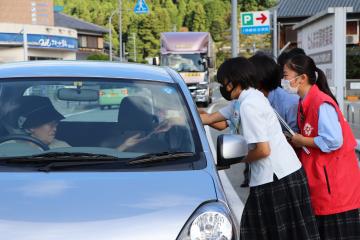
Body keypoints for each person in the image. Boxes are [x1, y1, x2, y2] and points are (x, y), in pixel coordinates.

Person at [200, 57, 320, 240]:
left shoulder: (249, 105)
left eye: (224, 82)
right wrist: (184, 112)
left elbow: (263, 150)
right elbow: (211, 119)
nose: (223, 87)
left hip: (278, 177)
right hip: (272, 176)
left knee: (265, 231)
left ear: (234, 80)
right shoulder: (242, 100)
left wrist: (237, 158)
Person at [283, 54, 360, 240]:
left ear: (302, 78)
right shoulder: (305, 102)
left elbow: (334, 140)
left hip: (335, 188)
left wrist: (302, 141)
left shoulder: (320, 102)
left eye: (286, 76)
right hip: (324, 184)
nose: (284, 80)